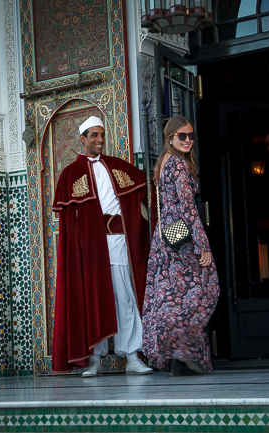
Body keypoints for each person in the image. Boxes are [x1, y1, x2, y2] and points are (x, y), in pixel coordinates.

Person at [51, 115, 153, 377]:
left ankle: (132, 356)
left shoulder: (118, 167)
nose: (99, 140)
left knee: (124, 296)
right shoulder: (70, 174)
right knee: (92, 299)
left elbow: (141, 192)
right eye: (93, 135)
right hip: (90, 248)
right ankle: (93, 359)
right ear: (82, 139)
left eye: (101, 135)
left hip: (118, 242)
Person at [141, 116, 220, 376]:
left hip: (165, 240)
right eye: (182, 136)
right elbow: (188, 210)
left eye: (191, 136)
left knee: (174, 297)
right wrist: (203, 246)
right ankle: (182, 350)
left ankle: (178, 356)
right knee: (206, 289)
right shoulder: (177, 165)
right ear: (170, 138)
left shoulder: (164, 162)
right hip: (182, 240)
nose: (187, 140)